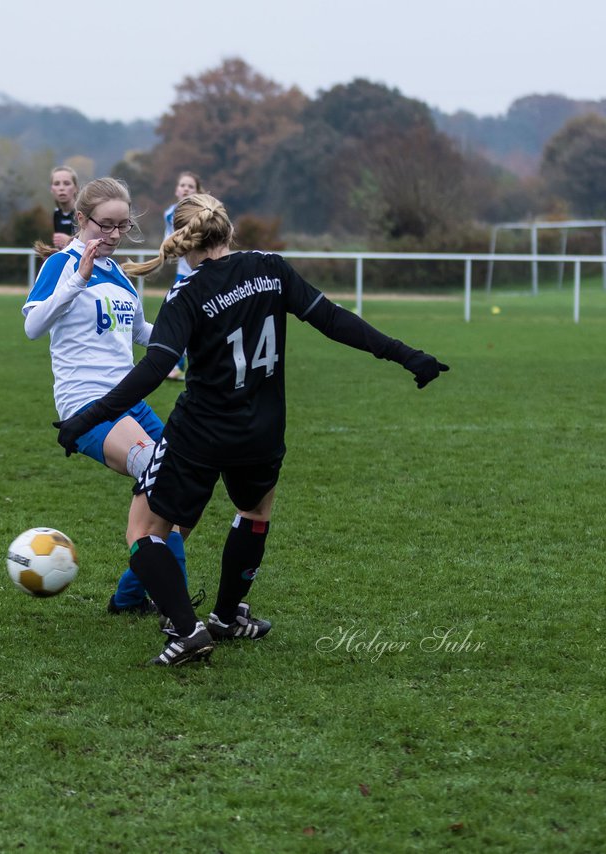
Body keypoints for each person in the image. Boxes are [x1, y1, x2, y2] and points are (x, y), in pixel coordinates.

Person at [55, 194, 449, 665]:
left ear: (186, 240)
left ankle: (187, 632)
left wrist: (86, 417)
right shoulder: (271, 269)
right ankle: (225, 615)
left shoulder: (187, 293)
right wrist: (407, 355)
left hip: (200, 433)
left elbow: (155, 367)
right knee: (254, 512)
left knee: (144, 531)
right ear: (228, 230)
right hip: (262, 429)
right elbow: (334, 320)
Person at [24, 177, 188, 616]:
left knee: (187, 490)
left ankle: (132, 597)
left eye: (123, 226)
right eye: (106, 226)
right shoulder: (61, 265)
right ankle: (176, 606)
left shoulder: (118, 272)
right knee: (163, 481)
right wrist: (77, 279)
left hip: (128, 400)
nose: (114, 236)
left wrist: (194, 337)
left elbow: (140, 335)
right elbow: (33, 327)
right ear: (82, 219)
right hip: (88, 405)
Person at [163, 172, 204, 381]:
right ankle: (176, 365)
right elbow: (169, 242)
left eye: (190, 186)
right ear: (176, 189)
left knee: (204, 320)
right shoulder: (170, 214)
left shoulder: (205, 212)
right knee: (179, 319)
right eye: (182, 185)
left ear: (197, 191)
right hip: (183, 274)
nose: (186, 189)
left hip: (205, 272)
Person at [48, 166, 78, 251]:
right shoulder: (56, 214)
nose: (61, 188)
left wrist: (70, 241)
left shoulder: (83, 214)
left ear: (75, 188)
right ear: (51, 189)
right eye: (56, 184)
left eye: (67, 183)